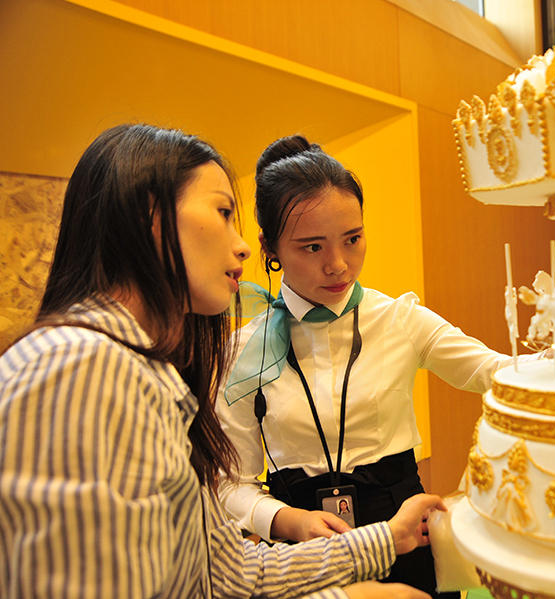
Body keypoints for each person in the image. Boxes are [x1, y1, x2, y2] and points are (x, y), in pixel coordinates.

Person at [0, 123, 444, 599]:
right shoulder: (80, 366)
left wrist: (386, 539)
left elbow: (225, 573)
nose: (244, 246)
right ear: (151, 218)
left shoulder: (145, 373)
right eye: (223, 212)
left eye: (351, 238)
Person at [216, 135, 532, 598]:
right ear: (270, 247)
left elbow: (500, 372)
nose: (338, 265)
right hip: (303, 552)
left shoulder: (400, 319)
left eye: (352, 239)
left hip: (406, 533)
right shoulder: (243, 350)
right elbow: (230, 484)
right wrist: (286, 519)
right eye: (312, 247)